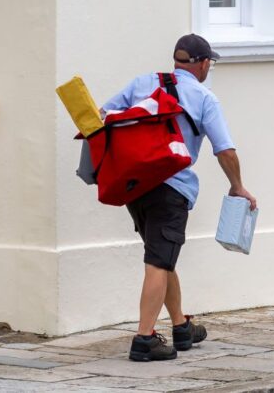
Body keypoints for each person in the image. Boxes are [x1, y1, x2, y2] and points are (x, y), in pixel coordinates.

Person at [101, 33, 257, 362]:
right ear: (201, 63)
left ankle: (181, 325)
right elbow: (225, 150)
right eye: (209, 63)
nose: (208, 68)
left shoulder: (143, 82)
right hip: (171, 189)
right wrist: (238, 186)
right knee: (158, 261)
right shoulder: (204, 97)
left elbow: (102, 115)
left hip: (136, 187)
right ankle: (144, 339)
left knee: (163, 254)